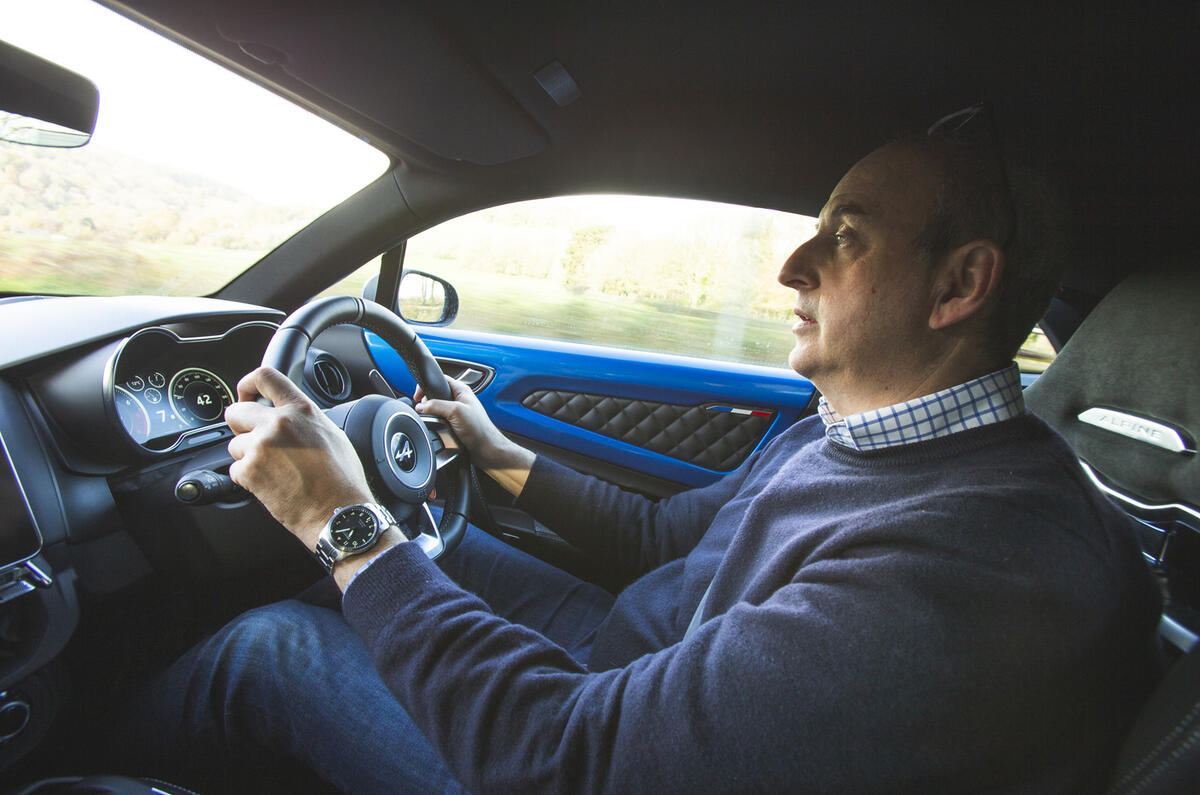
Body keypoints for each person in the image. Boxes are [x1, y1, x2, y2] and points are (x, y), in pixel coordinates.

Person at [120, 133, 1162, 793]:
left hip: (594, 743)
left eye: (844, 238)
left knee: (271, 646)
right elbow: (668, 538)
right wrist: (494, 452)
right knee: (420, 553)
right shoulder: (848, 430)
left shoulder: (976, 568)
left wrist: (341, 520)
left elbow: (574, 759)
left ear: (960, 285)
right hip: (635, 667)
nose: (793, 266)